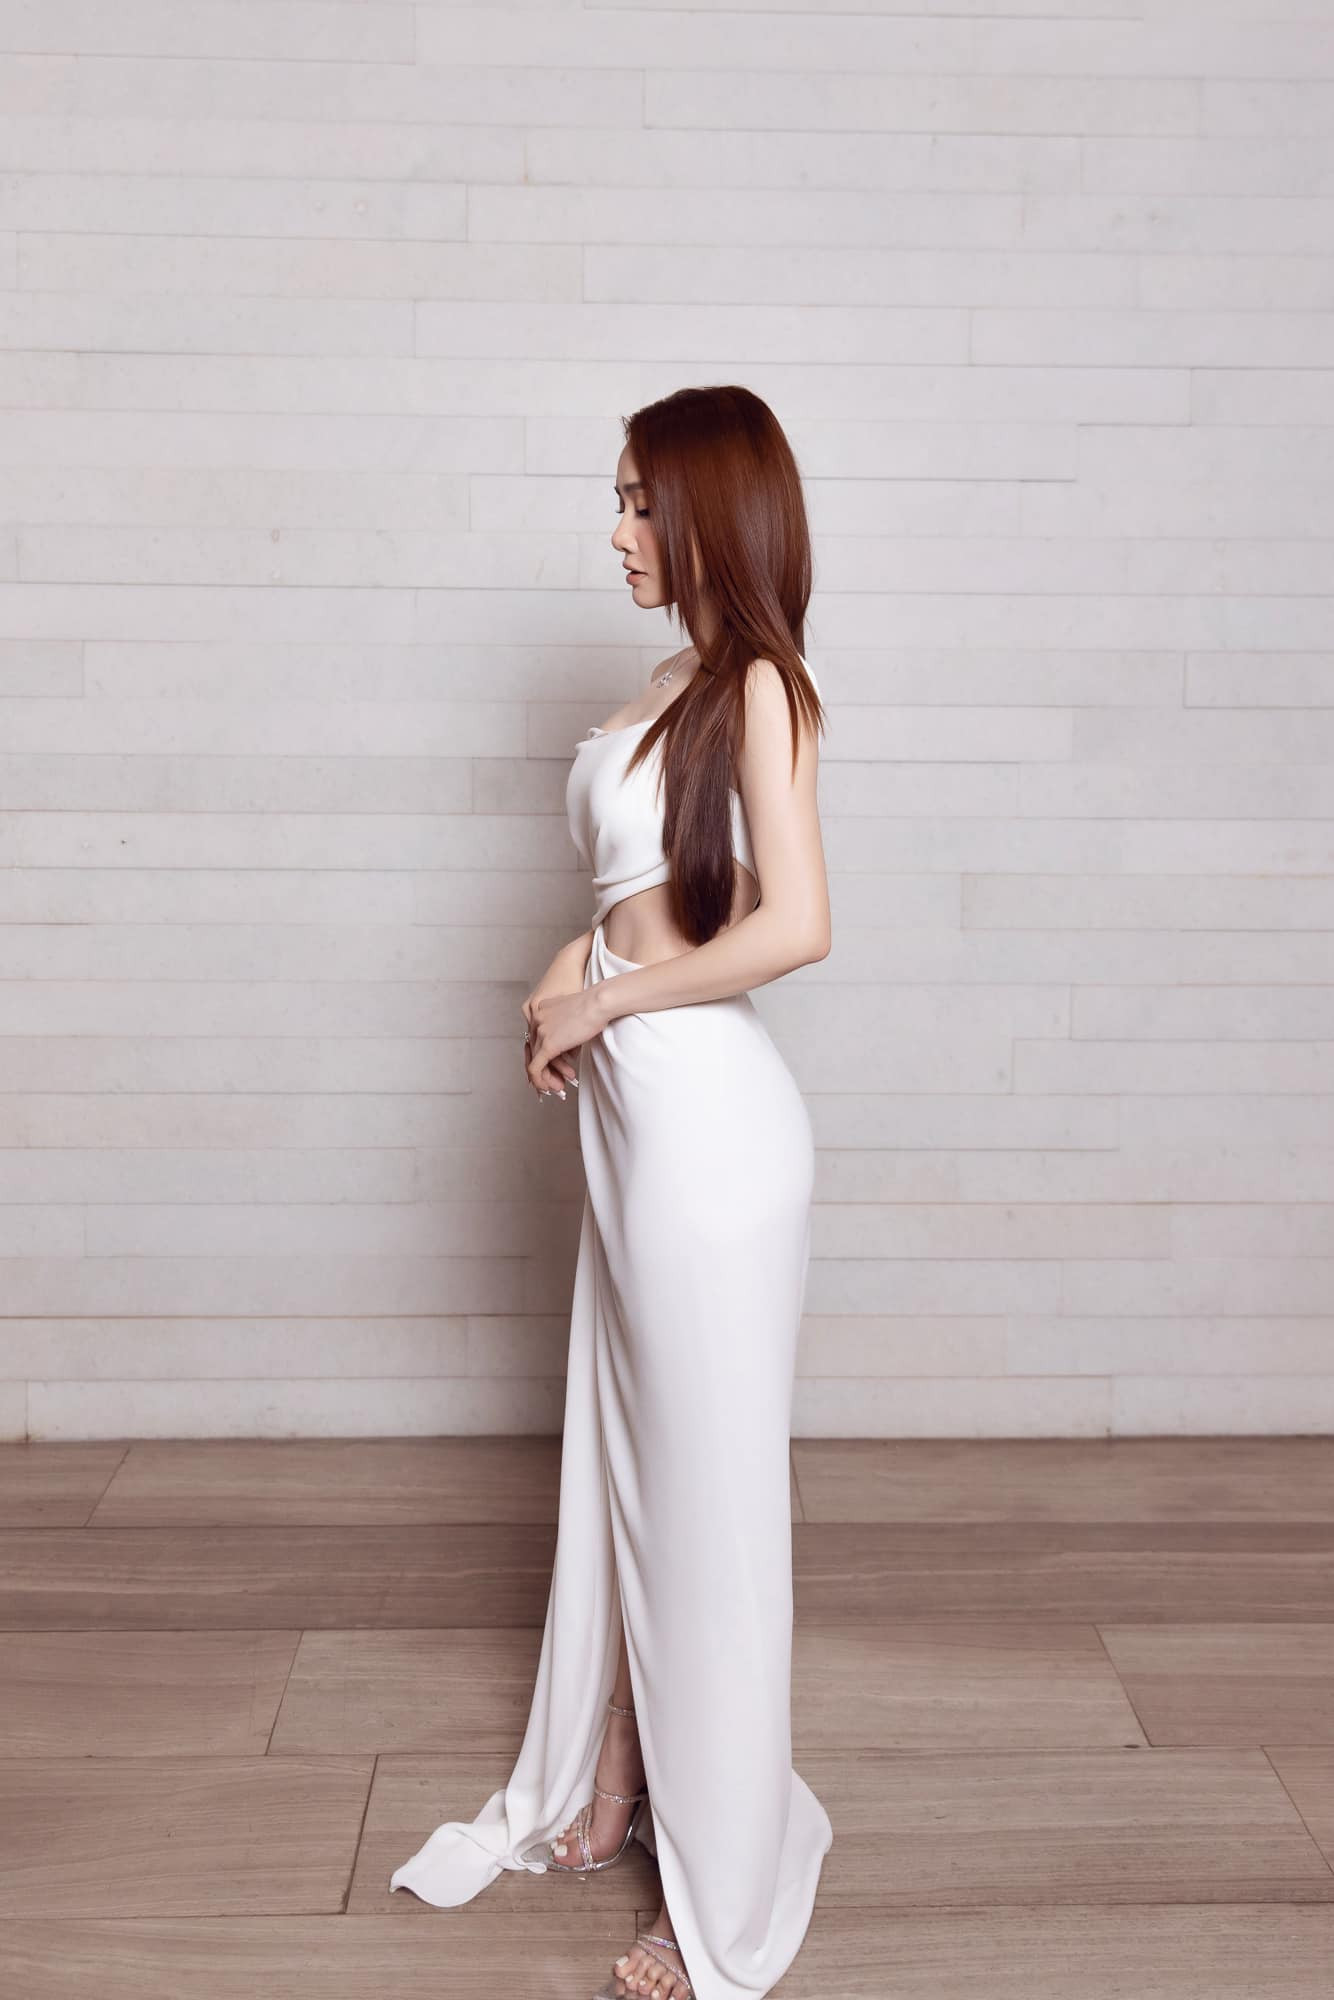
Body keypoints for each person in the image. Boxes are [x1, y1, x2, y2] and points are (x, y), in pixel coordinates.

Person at [388, 384, 833, 2000]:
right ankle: (623, 1781)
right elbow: (659, 896)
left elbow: (794, 926)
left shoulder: (761, 687)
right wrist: (564, 966)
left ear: (714, 511)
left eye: (644, 501)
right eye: (620, 498)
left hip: (713, 1138)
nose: (618, 531)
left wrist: (605, 1001)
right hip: (639, 1128)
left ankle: (720, 1885)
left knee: (707, 1502)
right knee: (633, 1467)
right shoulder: (670, 687)